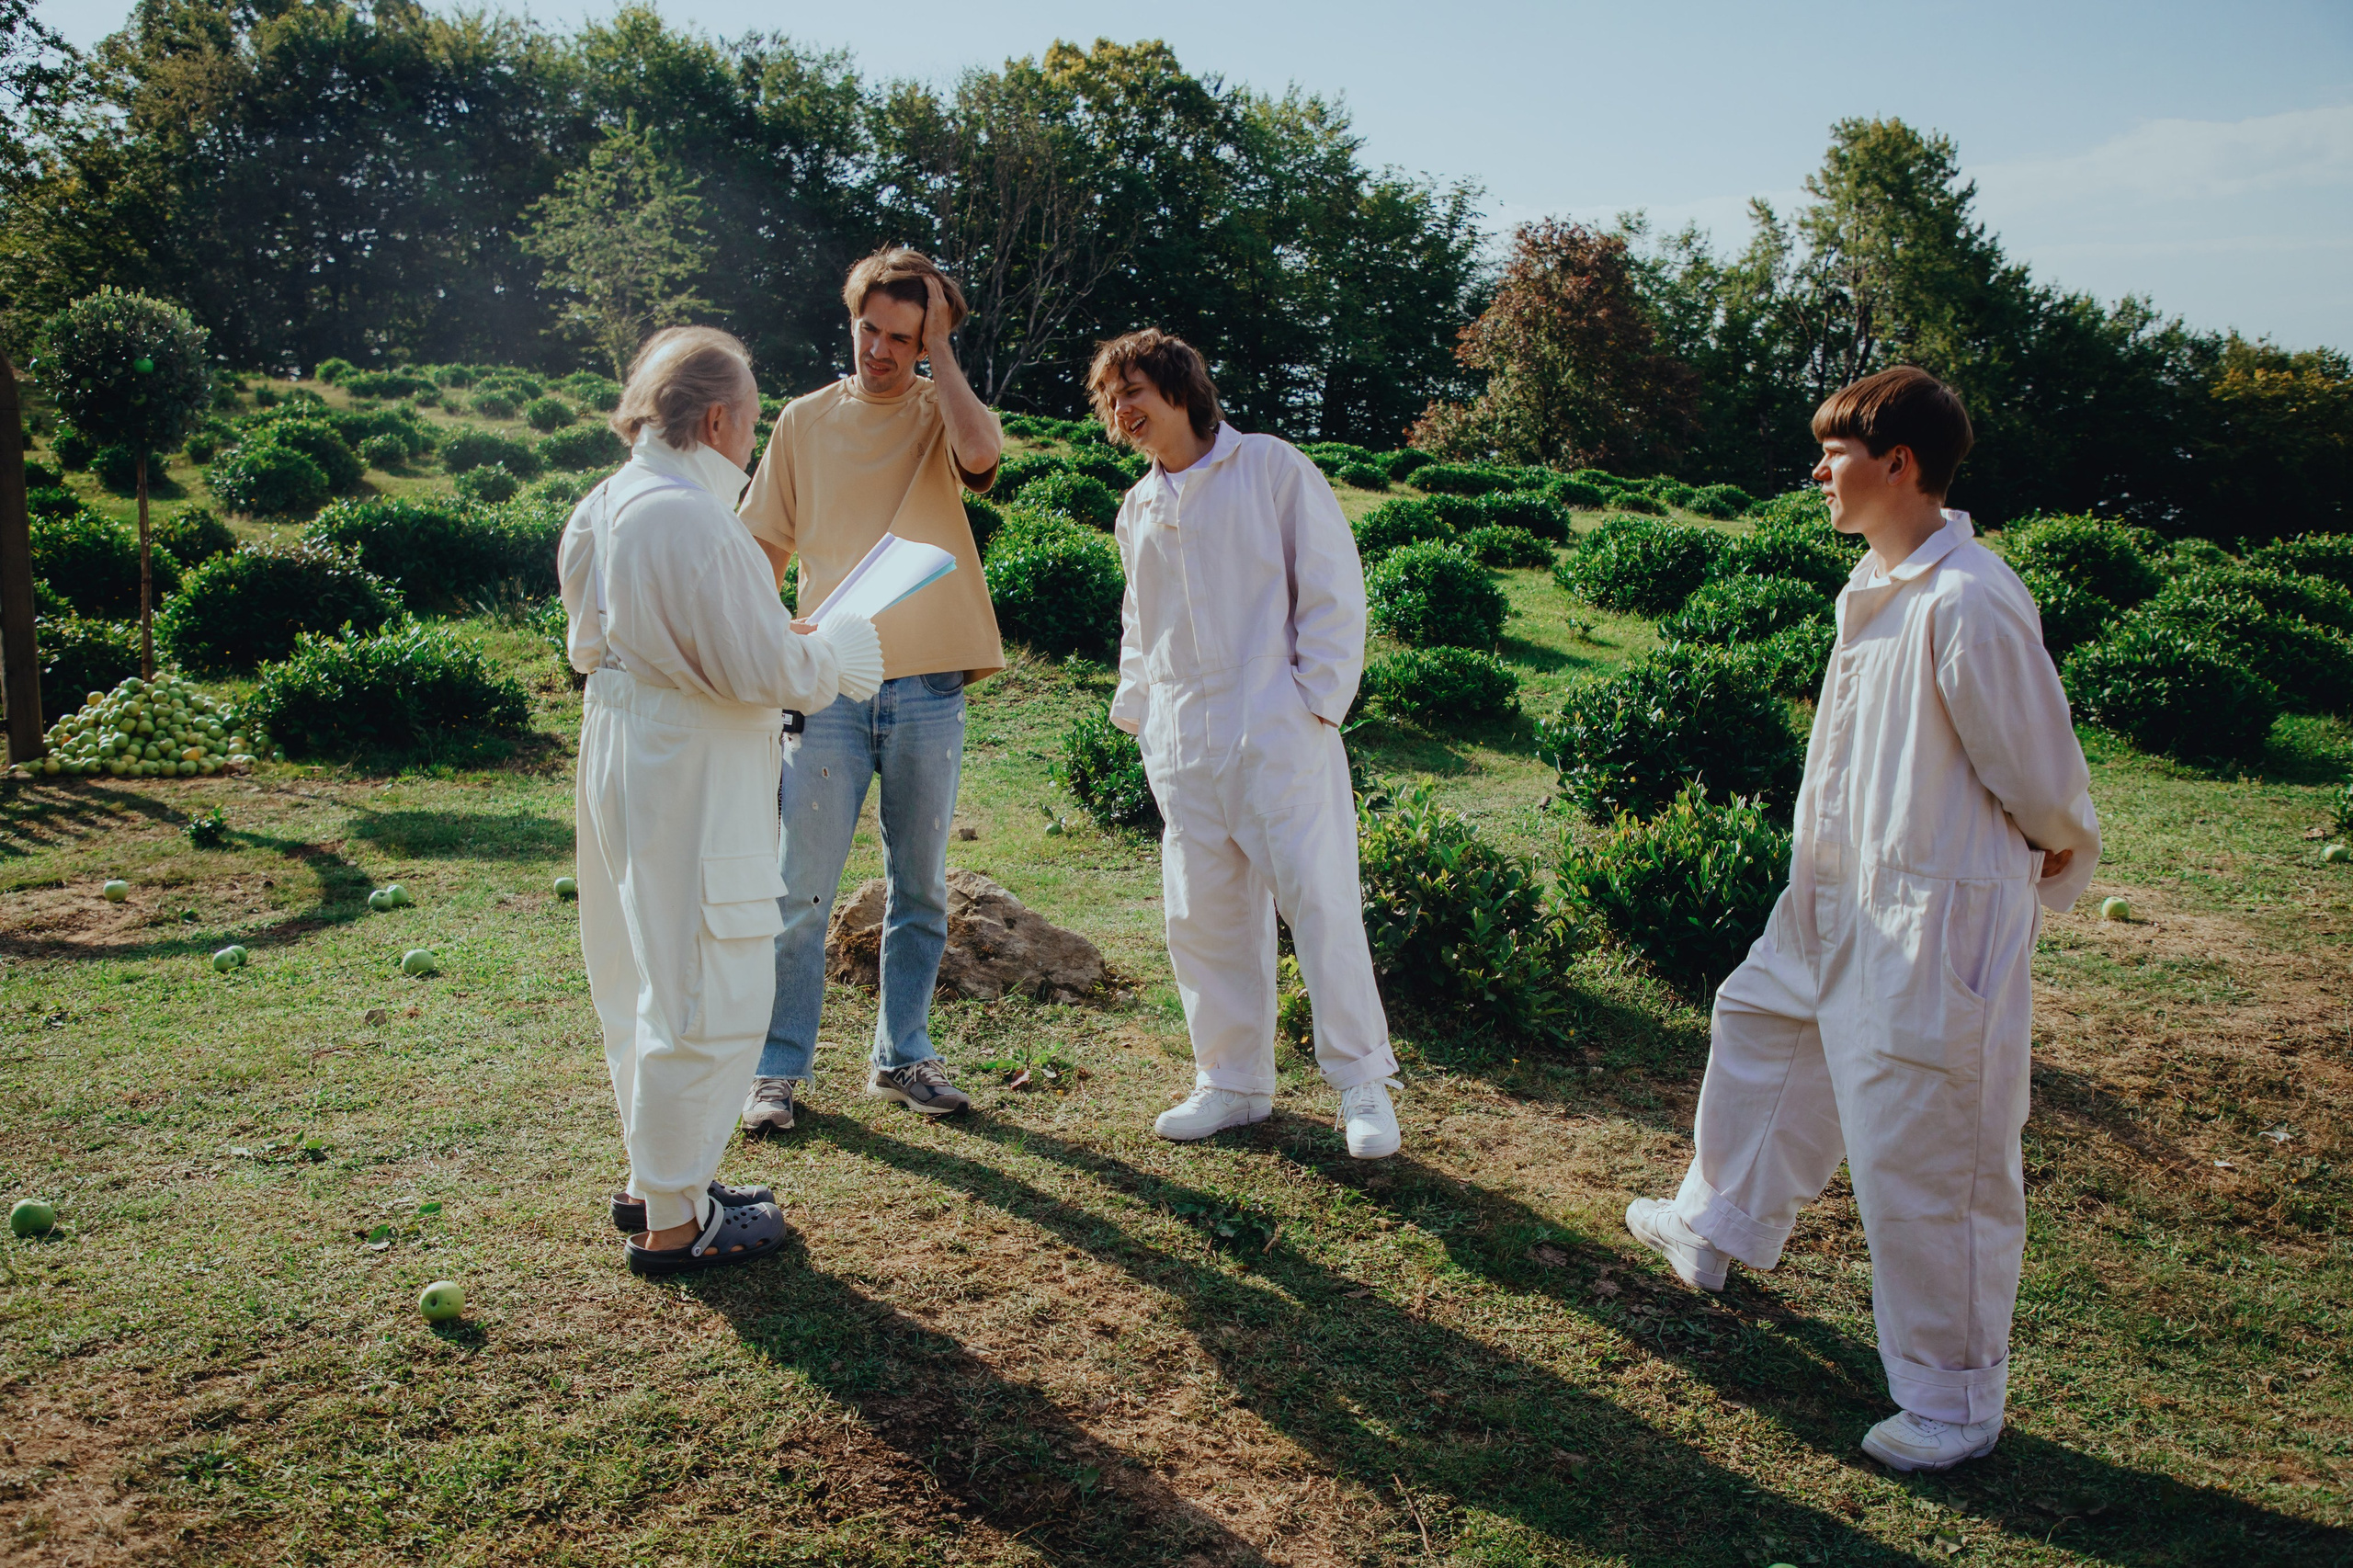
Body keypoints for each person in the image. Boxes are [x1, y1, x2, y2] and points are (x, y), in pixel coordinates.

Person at [1623, 366, 2101, 1471]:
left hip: (1932, 917)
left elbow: (2034, 769)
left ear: (1901, 463)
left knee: (1930, 1151)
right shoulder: (1879, 580)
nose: (1817, 470)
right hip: (1836, 895)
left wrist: (2056, 842)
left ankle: (1952, 1399)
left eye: (1835, 452)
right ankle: (1718, 1221)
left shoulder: (1968, 595)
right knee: (1762, 1024)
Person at [561, 326, 884, 1276]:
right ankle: (677, 1219)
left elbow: (595, 640)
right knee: (709, 971)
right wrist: (838, 653)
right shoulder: (695, 518)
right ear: (716, 417)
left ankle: (657, 1177)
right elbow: (760, 670)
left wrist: (754, 636)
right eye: (751, 419)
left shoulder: (608, 499)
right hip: (692, 754)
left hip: (622, 734)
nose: (754, 441)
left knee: (640, 967)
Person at [1091, 328, 1403, 1160]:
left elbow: (1333, 587)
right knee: (1204, 914)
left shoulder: (1268, 466)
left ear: (1181, 391)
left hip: (1276, 728)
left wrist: (1314, 705)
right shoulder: (1139, 506)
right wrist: (1142, 716)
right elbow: (1138, 618)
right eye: (1112, 397)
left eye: (1135, 392)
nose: (1123, 409)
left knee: (1320, 902)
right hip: (1183, 741)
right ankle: (1231, 1082)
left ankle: (1362, 1082)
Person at [735, 246, 1005, 1130]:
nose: (881, 351)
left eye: (903, 336)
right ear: (850, 321)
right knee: (799, 891)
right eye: (871, 330)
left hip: (928, 685)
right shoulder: (804, 423)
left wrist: (945, 354)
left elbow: (981, 455)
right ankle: (775, 1071)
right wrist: (774, 638)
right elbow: (761, 551)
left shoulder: (939, 410)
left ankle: (903, 1056)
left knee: (920, 888)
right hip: (828, 686)